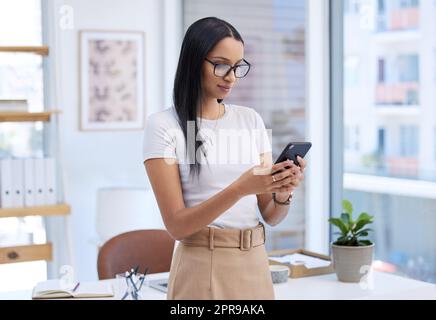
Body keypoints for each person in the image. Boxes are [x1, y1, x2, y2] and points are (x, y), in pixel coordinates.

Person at [143, 17, 306, 300]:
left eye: (237, 66)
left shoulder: (250, 120)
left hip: (255, 262)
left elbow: (271, 216)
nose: (230, 76)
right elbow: (176, 225)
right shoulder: (164, 126)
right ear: (194, 61)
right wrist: (240, 189)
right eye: (220, 64)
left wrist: (283, 192)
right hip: (201, 264)